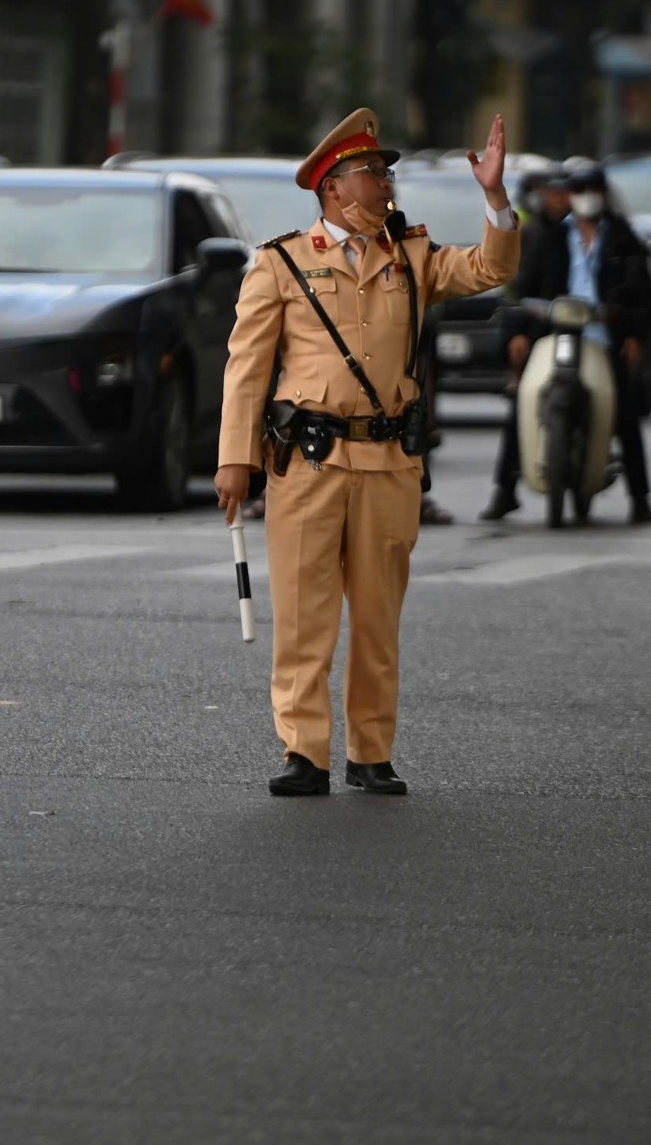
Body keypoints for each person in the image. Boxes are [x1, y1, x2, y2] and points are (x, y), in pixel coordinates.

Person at [215, 108, 520, 797]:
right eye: (371, 174)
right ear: (332, 188)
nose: (385, 184)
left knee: (379, 619)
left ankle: (372, 752)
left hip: (388, 464)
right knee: (304, 616)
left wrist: (494, 197)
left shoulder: (411, 256)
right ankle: (305, 751)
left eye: (385, 173)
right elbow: (246, 368)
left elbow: (489, 268)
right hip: (310, 462)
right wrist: (236, 458)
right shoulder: (281, 262)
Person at [481, 168, 651, 525]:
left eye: (591, 189)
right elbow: (519, 290)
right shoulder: (545, 236)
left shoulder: (622, 239)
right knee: (523, 403)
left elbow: (644, 296)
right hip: (551, 335)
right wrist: (518, 332)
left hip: (602, 338)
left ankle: (640, 498)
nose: (582, 196)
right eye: (577, 189)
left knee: (623, 408)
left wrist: (635, 336)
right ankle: (504, 491)